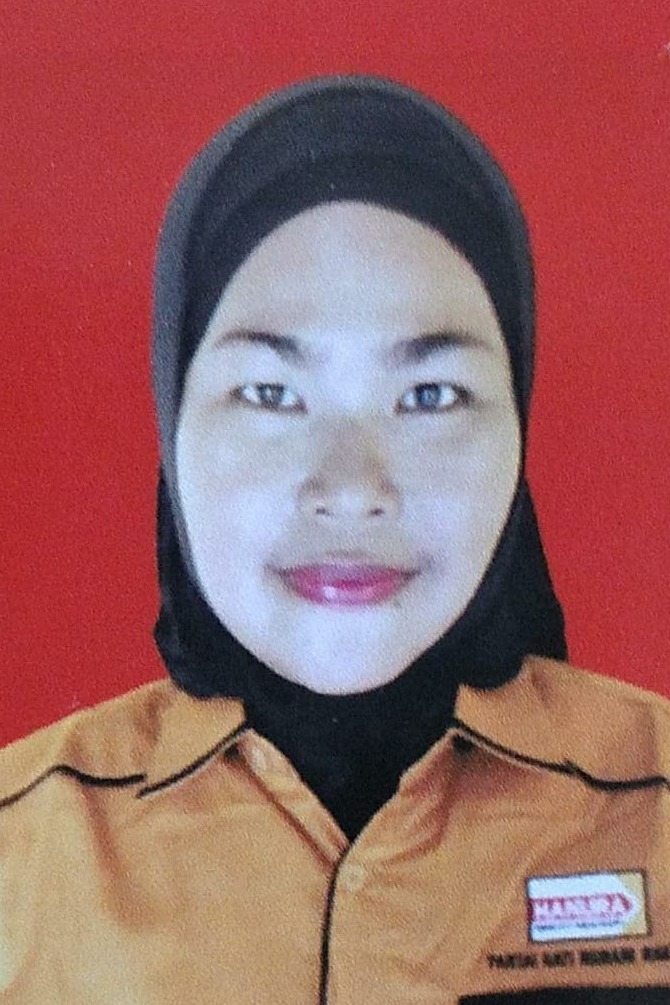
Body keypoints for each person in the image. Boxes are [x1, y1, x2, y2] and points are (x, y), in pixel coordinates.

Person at [0, 75, 668, 1004]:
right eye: (270, 394)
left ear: (518, 428)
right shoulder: (20, 855)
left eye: (430, 395)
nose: (352, 489)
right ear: (173, 424)